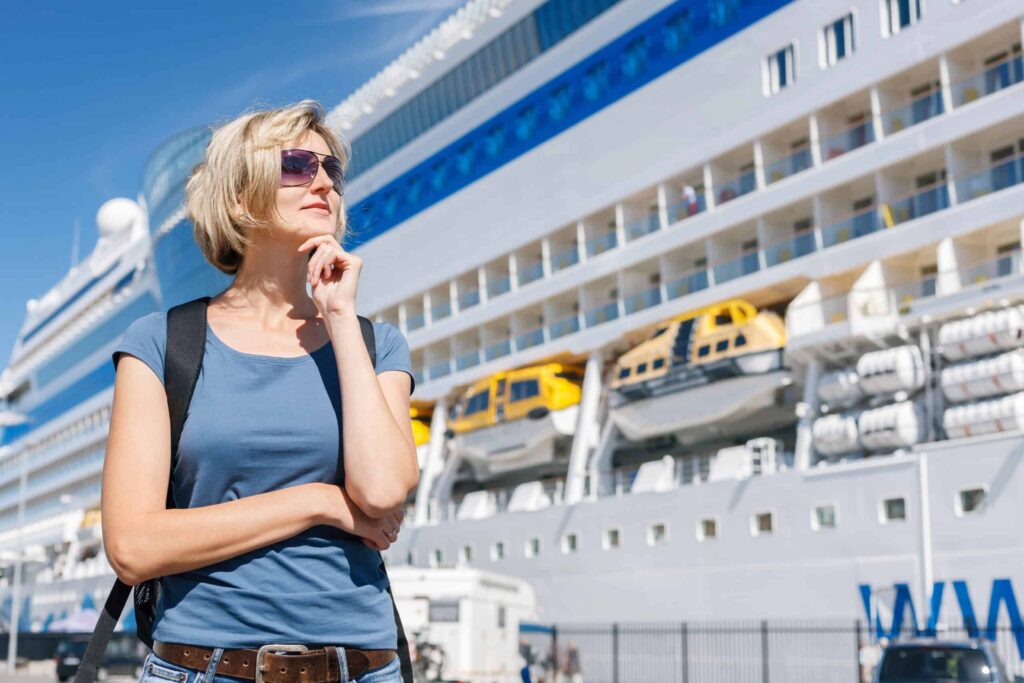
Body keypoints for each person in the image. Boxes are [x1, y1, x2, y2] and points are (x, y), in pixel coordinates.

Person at [102, 100, 419, 683]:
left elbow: (381, 491)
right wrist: (319, 503)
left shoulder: (377, 345)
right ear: (240, 196)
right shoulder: (162, 342)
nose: (324, 181)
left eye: (331, 170)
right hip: (205, 667)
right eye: (298, 164)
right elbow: (132, 546)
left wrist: (340, 319)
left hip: (363, 667)